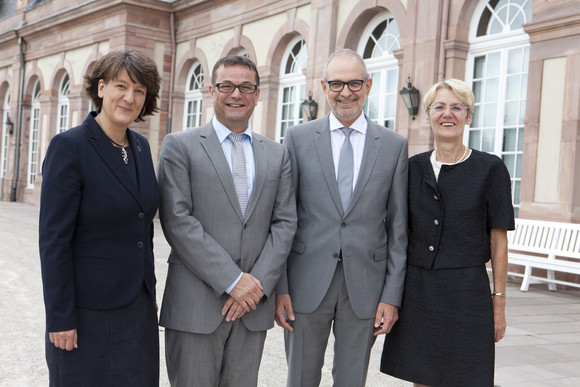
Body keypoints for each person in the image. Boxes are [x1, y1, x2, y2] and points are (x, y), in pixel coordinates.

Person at [157, 55, 297, 387]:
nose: (237, 94)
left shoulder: (277, 154)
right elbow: (177, 220)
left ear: (258, 94)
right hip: (195, 306)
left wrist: (255, 286)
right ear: (211, 90)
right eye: (227, 86)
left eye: (246, 87)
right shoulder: (180, 146)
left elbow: (284, 224)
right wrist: (234, 281)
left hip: (252, 309)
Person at [275, 48, 409, 387]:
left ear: (369, 85)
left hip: (365, 286)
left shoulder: (393, 146)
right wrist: (281, 288)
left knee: (352, 381)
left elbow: (398, 228)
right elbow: (283, 218)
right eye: (336, 83)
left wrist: (391, 296)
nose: (345, 92)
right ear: (323, 85)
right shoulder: (298, 138)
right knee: (300, 379)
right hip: (305, 284)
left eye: (354, 83)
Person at [380, 79, 514, 387]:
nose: (447, 114)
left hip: (468, 293)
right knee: (421, 377)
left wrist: (499, 303)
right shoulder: (411, 168)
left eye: (457, 107)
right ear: (427, 116)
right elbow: (399, 232)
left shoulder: (490, 169)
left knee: (467, 379)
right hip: (419, 291)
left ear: (469, 116)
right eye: (439, 107)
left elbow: (499, 240)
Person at [39, 49, 161, 386]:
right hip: (86, 314)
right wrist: (60, 317)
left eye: (139, 90)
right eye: (122, 86)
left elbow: (142, 226)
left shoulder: (140, 147)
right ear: (102, 87)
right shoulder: (70, 147)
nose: (130, 97)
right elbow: (54, 241)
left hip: (136, 308)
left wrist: (147, 294)